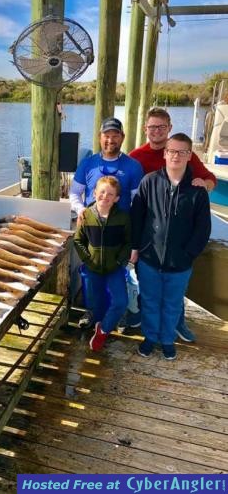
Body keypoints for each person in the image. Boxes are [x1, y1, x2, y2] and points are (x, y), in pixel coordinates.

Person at [129, 107, 217, 342]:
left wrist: (201, 190)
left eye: (161, 126)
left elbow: (210, 179)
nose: (156, 131)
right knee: (146, 284)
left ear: (169, 128)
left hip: (179, 234)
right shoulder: (136, 156)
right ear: (145, 129)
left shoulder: (183, 150)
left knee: (174, 291)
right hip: (151, 235)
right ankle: (144, 320)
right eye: (152, 127)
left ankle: (176, 322)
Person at [70, 117, 143, 329]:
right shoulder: (88, 163)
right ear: (100, 137)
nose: (110, 140)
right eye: (106, 135)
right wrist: (81, 209)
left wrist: (132, 243)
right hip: (92, 228)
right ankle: (92, 312)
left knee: (117, 275)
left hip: (119, 231)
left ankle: (116, 313)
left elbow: (138, 203)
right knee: (92, 276)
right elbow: (74, 193)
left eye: (115, 135)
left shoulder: (133, 167)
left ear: (122, 137)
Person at [74, 176, 131, 351]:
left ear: (117, 198)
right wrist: (87, 259)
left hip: (114, 268)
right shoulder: (86, 215)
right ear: (94, 193)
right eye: (102, 192)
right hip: (93, 268)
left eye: (110, 194)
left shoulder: (123, 218)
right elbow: (78, 240)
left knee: (121, 302)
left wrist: (120, 260)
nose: (105, 196)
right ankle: (96, 324)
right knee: (95, 304)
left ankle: (104, 330)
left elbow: (128, 242)